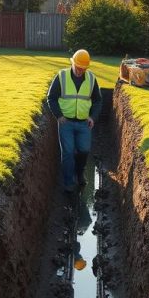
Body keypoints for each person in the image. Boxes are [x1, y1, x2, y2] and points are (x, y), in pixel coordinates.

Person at [46, 49, 102, 192]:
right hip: (66, 123)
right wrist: (59, 115)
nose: (79, 71)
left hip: (84, 123)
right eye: (78, 67)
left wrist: (92, 117)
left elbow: (98, 100)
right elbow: (51, 98)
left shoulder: (91, 79)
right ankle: (68, 182)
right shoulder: (62, 76)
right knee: (68, 152)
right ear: (73, 63)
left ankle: (79, 174)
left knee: (84, 150)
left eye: (83, 68)